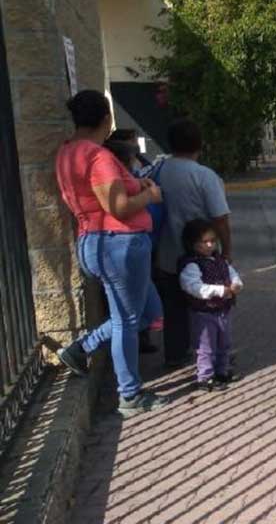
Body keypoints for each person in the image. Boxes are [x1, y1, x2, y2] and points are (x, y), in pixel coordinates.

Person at [54, 90, 169, 416]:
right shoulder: (98, 156)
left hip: (97, 241)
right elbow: (118, 207)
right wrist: (151, 196)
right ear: (106, 119)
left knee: (148, 312)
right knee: (128, 321)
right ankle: (130, 396)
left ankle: (82, 348)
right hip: (120, 245)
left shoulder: (68, 151)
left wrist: (136, 187)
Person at [153, 119, 232, 369]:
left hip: (165, 255)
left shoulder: (158, 172)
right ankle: (209, 357)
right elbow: (220, 218)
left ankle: (176, 355)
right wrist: (227, 252)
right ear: (200, 144)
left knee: (174, 310)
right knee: (208, 310)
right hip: (201, 259)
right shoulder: (204, 176)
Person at [103, 128, 164, 354]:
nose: (136, 149)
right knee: (140, 314)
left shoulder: (134, 175)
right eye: (131, 146)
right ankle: (85, 345)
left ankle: (139, 341)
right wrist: (148, 194)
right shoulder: (120, 181)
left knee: (138, 312)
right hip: (128, 244)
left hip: (141, 241)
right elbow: (122, 208)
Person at [179, 219, 243, 391]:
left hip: (223, 309)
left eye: (213, 241)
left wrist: (236, 284)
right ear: (192, 244)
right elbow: (195, 288)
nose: (210, 245)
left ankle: (222, 370)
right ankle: (205, 377)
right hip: (204, 312)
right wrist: (221, 290)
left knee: (225, 342)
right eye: (204, 241)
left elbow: (232, 274)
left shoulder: (219, 260)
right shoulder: (192, 265)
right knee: (206, 346)